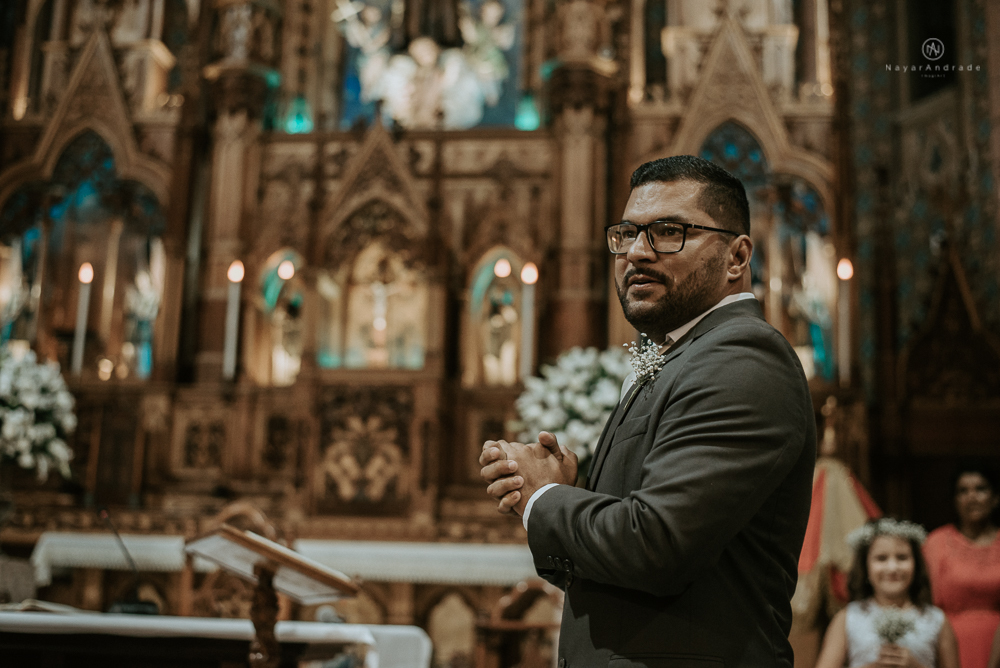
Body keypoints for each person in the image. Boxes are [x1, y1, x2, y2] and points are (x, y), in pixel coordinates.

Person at [479, 155, 816, 667]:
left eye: (668, 232)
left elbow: (656, 544)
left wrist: (543, 499)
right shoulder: (683, 353)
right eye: (627, 234)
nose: (637, 252)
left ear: (737, 256)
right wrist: (573, 492)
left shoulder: (743, 358)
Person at [814, 518, 960, 668]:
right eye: (881, 558)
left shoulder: (935, 620)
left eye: (902, 557)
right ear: (866, 566)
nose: (892, 568)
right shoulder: (847, 618)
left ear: (916, 563)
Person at [923, 460, 1000, 668]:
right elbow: (923, 602)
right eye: (963, 491)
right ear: (955, 500)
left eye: (980, 489)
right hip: (950, 644)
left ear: (995, 498)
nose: (972, 497)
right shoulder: (936, 542)